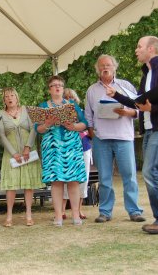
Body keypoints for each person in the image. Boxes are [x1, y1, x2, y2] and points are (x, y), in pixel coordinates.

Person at [106, 36, 158, 234]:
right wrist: (116, 95)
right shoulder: (146, 74)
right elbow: (138, 103)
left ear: (151, 49)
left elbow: (151, 105)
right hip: (149, 129)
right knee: (151, 172)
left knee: (150, 171)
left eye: (139, 46)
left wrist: (154, 108)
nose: (136, 50)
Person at [85, 54, 145, 223]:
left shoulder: (125, 85)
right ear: (98, 69)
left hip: (123, 137)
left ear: (114, 67)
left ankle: (134, 210)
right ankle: (105, 211)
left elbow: (140, 108)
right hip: (101, 138)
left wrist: (129, 112)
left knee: (130, 175)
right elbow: (88, 115)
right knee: (104, 178)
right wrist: (91, 133)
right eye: (102, 65)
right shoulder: (92, 90)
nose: (105, 67)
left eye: (109, 65)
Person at [35, 75, 87, 226]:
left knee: (73, 181)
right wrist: (47, 124)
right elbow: (38, 129)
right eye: (54, 85)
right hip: (52, 147)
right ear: (49, 89)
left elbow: (84, 123)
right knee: (56, 181)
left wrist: (74, 126)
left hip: (71, 145)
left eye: (60, 85)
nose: (57, 87)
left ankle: (76, 215)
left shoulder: (72, 105)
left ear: (63, 89)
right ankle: (58, 215)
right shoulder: (43, 106)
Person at [0, 87, 43, 227]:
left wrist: (28, 147)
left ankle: (29, 214)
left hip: (28, 153)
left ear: (17, 98)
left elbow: (34, 129)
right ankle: (9, 216)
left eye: (12, 96)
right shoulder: (0, 113)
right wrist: (14, 153)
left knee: (29, 185)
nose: (9, 98)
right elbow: (1, 135)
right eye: (6, 96)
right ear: (4, 100)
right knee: (11, 186)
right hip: (11, 154)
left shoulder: (27, 110)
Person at [62, 88, 92, 220]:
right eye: (67, 97)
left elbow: (91, 131)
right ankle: (62, 210)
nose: (70, 100)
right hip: (66, 150)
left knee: (83, 179)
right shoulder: (59, 115)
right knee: (63, 179)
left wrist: (84, 132)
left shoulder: (84, 113)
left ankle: (79, 209)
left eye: (72, 98)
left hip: (84, 148)